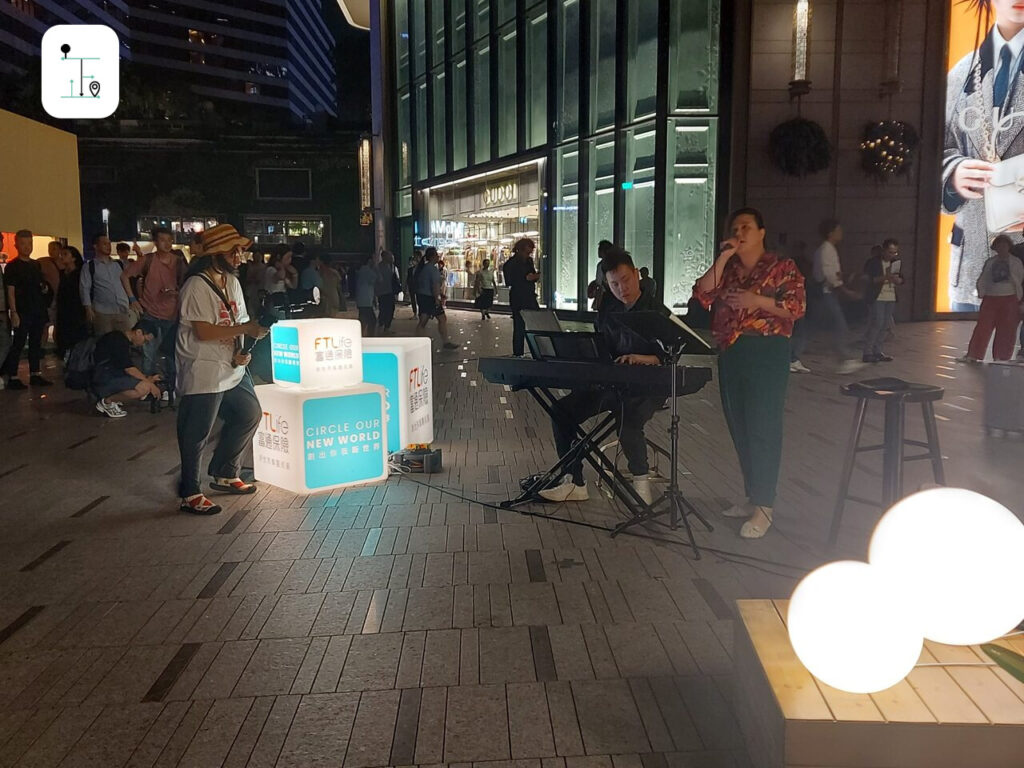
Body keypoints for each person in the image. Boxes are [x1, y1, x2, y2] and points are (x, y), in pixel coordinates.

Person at [694, 208, 807, 539]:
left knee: (763, 426)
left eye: (746, 227)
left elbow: (797, 307)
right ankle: (751, 496)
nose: (740, 232)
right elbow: (702, 294)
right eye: (735, 227)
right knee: (739, 425)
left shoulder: (781, 267)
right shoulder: (728, 268)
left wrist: (756, 299)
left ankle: (765, 506)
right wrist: (722, 258)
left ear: (761, 232)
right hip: (731, 351)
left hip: (767, 350)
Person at [539, 247, 670, 505]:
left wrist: (642, 358)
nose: (621, 288)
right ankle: (574, 481)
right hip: (614, 381)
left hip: (649, 385)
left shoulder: (656, 310)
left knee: (628, 418)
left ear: (636, 274)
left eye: (625, 280)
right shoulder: (609, 310)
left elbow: (670, 354)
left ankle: (640, 485)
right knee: (561, 412)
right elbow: (603, 347)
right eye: (613, 284)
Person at [175, 223, 269, 515]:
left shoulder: (232, 282)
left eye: (240, 251)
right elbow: (202, 331)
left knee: (249, 412)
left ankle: (225, 471)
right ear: (215, 254)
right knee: (196, 432)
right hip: (203, 369)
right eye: (233, 252)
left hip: (230, 367)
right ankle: (190, 492)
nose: (239, 257)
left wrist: (242, 350)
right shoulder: (196, 285)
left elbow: (238, 318)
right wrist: (246, 329)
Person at [943, 0, 1024, 312]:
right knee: (967, 338)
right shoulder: (963, 72)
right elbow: (942, 145)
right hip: (972, 257)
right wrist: (955, 171)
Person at [121, 228, 185, 394]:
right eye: (162, 240)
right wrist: (133, 299)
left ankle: (171, 387)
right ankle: (149, 388)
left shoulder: (178, 262)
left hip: (172, 315)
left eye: (170, 240)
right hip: (151, 315)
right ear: (156, 242)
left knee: (172, 354)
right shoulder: (148, 260)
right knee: (149, 354)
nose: (167, 243)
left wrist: (176, 293)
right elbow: (125, 276)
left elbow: (186, 284)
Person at [2, 230, 53, 389]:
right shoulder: (12, 266)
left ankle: (35, 373)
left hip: (37, 309)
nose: (27, 247)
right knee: (18, 343)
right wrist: (14, 312)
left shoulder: (35, 264)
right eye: (23, 244)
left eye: (29, 243)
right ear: (16, 244)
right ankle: (13, 375)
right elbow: (10, 290)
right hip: (22, 311)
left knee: (36, 343)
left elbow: (40, 284)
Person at [962, 234, 1024, 362]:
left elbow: (1019, 278)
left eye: (1004, 246)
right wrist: (981, 291)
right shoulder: (991, 262)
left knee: (1006, 329)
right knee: (983, 327)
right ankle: (973, 354)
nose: (1002, 248)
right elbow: (983, 278)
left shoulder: (1015, 262)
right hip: (991, 298)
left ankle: (1001, 357)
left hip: (1009, 298)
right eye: (999, 246)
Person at [811, 220, 862, 374]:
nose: (841, 233)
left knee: (810, 327)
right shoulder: (827, 250)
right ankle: (844, 359)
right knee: (839, 325)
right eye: (838, 230)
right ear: (830, 233)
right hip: (826, 293)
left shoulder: (828, 249)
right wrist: (846, 291)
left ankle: (793, 356)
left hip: (826, 293)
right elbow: (830, 276)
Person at [92, 318, 163, 418]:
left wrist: (146, 379)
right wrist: (149, 384)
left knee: (144, 383)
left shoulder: (119, 338)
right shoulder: (119, 341)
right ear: (138, 332)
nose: (143, 344)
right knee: (144, 388)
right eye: (145, 340)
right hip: (102, 378)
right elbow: (129, 369)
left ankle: (111, 398)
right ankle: (107, 402)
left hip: (107, 374)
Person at [81, 234, 132, 336]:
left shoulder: (118, 264)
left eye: (109, 243)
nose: (108, 246)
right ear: (96, 246)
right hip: (103, 311)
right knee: (104, 341)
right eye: (104, 244)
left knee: (125, 341)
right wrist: (88, 308)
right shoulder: (90, 266)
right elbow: (84, 288)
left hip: (122, 309)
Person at [862, 239, 904, 363]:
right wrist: (886, 277)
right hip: (878, 296)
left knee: (885, 324)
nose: (892, 255)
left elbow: (902, 278)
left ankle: (878, 351)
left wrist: (898, 280)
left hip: (890, 296)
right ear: (884, 250)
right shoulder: (873, 263)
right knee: (877, 323)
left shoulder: (895, 262)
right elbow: (869, 279)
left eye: (895, 253)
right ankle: (867, 351)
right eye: (890, 252)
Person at [502, 238, 540, 357]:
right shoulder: (511, 264)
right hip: (519, 297)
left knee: (533, 324)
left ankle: (535, 351)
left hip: (528, 295)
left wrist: (532, 277)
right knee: (520, 326)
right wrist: (527, 278)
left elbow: (533, 275)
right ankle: (519, 353)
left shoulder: (528, 261)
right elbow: (511, 281)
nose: (529, 254)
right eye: (528, 251)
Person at [415, 247, 459, 350]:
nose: (438, 257)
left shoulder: (423, 268)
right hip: (430, 298)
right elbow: (434, 285)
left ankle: (418, 340)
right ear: (432, 256)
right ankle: (445, 341)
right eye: (436, 255)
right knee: (440, 318)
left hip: (423, 297)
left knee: (424, 320)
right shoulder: (432, 269)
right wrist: (437, 298)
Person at [55, 246, 88, 358]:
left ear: (73, 258)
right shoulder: (62, 274)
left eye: (65, 254)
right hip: (64, 311)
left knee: (76, 336)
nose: (62, 257)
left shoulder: (80, 273)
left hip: (77, 310)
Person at [788, 240, 812, 373]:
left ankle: (792, 358)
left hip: (798, 301)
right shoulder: (796, 263)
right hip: (795, 302)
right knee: (798, 332)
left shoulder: (796, 262)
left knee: (797, 331)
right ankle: (792, 359)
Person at [356, 252, 380, 337]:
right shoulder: (368, 271)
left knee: (363, 319)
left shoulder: (362, 270)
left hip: (362, 299)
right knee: (372, 320)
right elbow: (378, 279)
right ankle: (370, 336)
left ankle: (361, 336)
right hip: (365, 300)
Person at [377, 250, 400, 332]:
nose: (391, 258)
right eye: (389, 256)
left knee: (390, 309)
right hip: (382, 292)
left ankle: (386, 326)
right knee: (383, 309)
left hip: (390, 291)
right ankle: (381, 324)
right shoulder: (379, 267)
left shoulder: (392, 266)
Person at [407, 250, 422, 317]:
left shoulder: (422, 268)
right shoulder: (411, 269)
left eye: (416, 257)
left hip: (419, 287)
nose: (415, 259)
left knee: (420, 300)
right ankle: (415, 313)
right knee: (413, 299)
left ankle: (420, 313)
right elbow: (408, 278)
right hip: (412, 286)